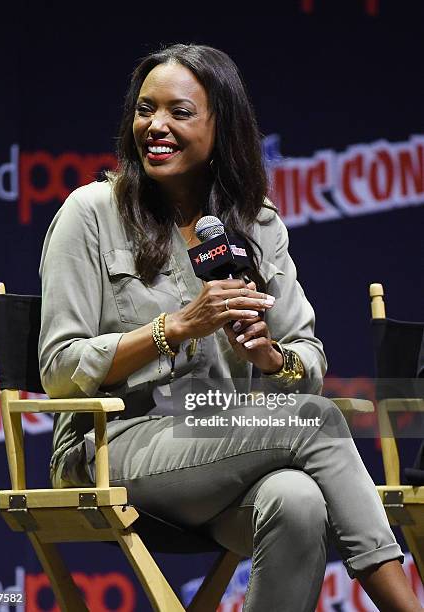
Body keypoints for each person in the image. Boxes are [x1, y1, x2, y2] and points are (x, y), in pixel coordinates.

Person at [38, 44, 422, 611]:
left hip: (217, 430)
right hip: (110, 443)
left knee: (297, 500)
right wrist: (176, 327)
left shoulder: (256, 223)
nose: (156, 126)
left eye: (180, 112)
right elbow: (59, 370)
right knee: (317, 420)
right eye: (145, 110)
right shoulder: (92, 211)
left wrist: (271, 359)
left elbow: (307, 357)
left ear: (223, 126)